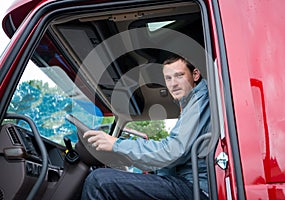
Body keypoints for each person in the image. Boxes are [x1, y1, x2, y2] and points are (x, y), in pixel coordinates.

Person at [81, 55, 211, 200]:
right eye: (168, 78)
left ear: (195, 74)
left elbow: (173, 152)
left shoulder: (200, 101)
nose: (173, 84)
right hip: (188, 184)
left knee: (99, 181)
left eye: (179, 76)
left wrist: (116, 144)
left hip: (197, 189)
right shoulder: (191, 104)